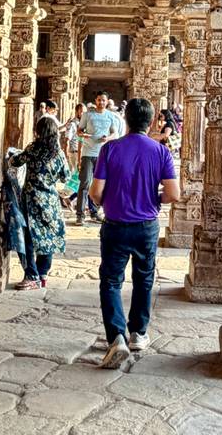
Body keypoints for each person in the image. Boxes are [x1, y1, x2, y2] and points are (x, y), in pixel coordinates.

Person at [89, 97, 180, 369]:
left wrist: (106, 201)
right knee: (143, 279)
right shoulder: (161, 151)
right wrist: (153, 199)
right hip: (146, 226)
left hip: (115, 225)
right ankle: (138, 334)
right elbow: (173, 193)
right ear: (151, 122)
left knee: (111, 281)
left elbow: (95, 192)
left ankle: (116, 336)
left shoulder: (110, 149)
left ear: (125, 120)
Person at [8, 116, 70, 290]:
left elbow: (15, 161)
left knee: (28, 237)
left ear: (38, 132)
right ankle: (42, 274)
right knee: (47, 237)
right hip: (50, 200)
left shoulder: (33, 148)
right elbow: (66, 176)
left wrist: (13, 154)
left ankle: (31, 275)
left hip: (32, 199)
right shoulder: (58, 153)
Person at [75, 91, 117, 225]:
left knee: (100, 185)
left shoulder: (110, 116)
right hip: (88, 153)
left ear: (107, 101)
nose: (101, 102)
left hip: (103, 154)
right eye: (99, 100)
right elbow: (79, 131)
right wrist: (83, 135)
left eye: (104, 100)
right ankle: (80, 215)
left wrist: (107, 138)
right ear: (95, 100)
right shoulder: (87, 115)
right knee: (85, 183)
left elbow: (114, 133)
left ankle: (94, 212)